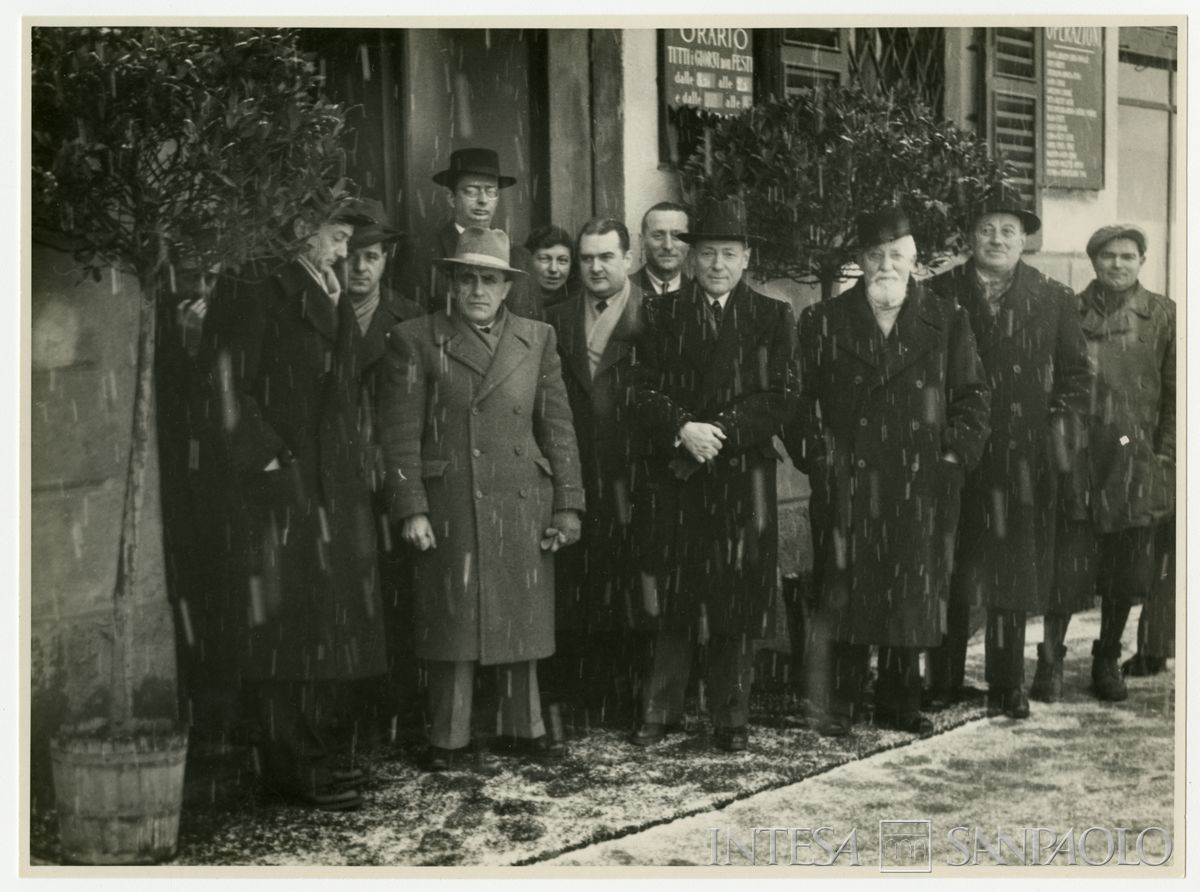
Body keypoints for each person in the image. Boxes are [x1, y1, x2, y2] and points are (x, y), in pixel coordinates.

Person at [199, 192, 383, 810]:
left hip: (325, 486)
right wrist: (271, 459)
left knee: (320, 629)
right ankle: (290, 768)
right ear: (303, 228)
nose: (344, 251)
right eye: (336, 237)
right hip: (277, 491)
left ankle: (313, 755)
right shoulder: (255, 288)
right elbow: (224, 386)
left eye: (347, 240)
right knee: (284, 634)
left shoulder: (327, 290)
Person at [378, 227, 585, 770]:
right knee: (454, 623)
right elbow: (399, 434)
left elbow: (558, 426)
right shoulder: (416, 338)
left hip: (522, 497)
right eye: (467, 279)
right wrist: (411, 507)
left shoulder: (537, 337)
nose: (477, 290)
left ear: (507, 287)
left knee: (521, 617)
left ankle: (524, 726)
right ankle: (448, 737)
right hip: (453, 501)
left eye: (489, 280)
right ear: (451, 283)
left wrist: (568, 503)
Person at [790, 207, 990, 738]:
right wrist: (818, 457)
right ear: (860, 260)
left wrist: (952, 458)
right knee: (844, 589)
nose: (886, 265)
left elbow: (973, 398)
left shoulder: (947, 319)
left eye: (896, 255)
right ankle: (841, 701)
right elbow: (797, 401)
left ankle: (900, 702)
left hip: (919, 482)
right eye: (875, 255)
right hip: (848, 482)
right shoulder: (823, 320)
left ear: (914, 260)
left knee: (910, 593)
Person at [630, 196, 794, 752]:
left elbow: (782, 397)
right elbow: (639, 390)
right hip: (679, 478)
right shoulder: (661, 314)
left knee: (737, 598)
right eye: (706, 253)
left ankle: (731, 715)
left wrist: (718, 430)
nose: (717, 264)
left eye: (728, 253)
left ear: (746, 258)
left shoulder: (773, 316)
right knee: (674, 597)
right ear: (691, 258)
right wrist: (681, 427)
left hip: (742, 476)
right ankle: (661, 710)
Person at [924, 189, 1091, 719]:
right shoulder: (937, 292)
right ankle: (943, 679)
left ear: (1024, 241)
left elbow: (1076, 377)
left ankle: (1006, 683)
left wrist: (1053, 429)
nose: (996, 240)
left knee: (1010, 571)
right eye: (986, 229)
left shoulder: (1054, 297)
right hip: (955, 451)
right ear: (969, 237)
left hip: (1022, 458)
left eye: (1008, 231)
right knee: (950, 566)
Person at [1051, 224, 1175, 701]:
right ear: (1094, 261)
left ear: (1141, 261)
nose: (1117, 264)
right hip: (1076, 455)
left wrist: (1163, 456)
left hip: (1132, 456)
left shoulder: (1163, 315)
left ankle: (1106, 659)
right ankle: (1050, 659)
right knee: (1067, 565)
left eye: (1127, 256)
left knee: (1125, 571)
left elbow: (1177, 395)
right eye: (1108, 256)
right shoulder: (1067, 310)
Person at [543, 218, 646, 733]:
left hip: (636, 473)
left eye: (607, 257)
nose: (596, 268)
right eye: (587, 258)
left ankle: (627, 695)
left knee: (630, 586)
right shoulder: (555, 320)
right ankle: (576, 696)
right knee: (574, 584)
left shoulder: (656, 315)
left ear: (628, 258)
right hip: (574, 468)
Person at [341, 198, 426, 737]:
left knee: (398, 593)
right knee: (347, 595)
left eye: (372, 256)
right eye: (352, 255)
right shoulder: (321, 310)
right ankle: (350, 710)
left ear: (386, 260)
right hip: (337, 478)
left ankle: (401, 709)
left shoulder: (409, 318)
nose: (361, 267)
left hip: (391, 476)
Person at [429, 147, 537, 318]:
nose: (483, 200)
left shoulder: (521, 259)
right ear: (451, 198)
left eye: (491, 192)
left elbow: (532, 325)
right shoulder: (424, 252)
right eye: (471, 191)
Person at [633, 201, 692, 299]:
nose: (668, 246)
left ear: (688, 243)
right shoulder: (622, 291)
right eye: (658, 236)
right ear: (642, 241)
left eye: (677, 236)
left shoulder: (701, 295)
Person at [525, 225, 575, 314]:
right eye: (544, 259)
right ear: (529, 260)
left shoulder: (577, 305)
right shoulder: (517, 303)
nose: (553, 269)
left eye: (562, 260)